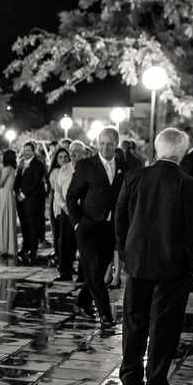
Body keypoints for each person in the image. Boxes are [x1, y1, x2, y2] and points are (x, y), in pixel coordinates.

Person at [116, 128, 193, 385]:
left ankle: (130, 376)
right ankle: (155, 380)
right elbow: (192, 232)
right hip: (172, 264)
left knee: (134, 321)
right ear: (182, 152)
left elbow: (120, 219)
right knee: (164, 325)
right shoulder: (190, 185)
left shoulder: (134, 177)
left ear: (157, 148)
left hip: (137, 260)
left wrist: (125, 252)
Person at [66, 127, 125, 327]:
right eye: (102, 143)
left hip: (111, 228)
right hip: (88, 226)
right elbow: (71, 196)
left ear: (116, 144)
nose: (105, 148)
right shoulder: (86, 166)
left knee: (99, 273)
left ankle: (81, 303)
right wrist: (77, 223)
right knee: (92, 270)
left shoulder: (124, 168)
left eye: (109, 144)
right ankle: (105, 315)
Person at [52, 141, 85, 282]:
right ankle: (65, 272)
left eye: (76, 151)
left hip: (83, 211)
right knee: (65, 242)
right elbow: (58, 190)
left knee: (83, 243)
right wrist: (64, 206)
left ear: (83, 153)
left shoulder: (88, 167)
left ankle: (83, 274)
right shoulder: (64, 169)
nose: (72, 154)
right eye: (70, 151)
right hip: (66, 211)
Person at [15, 141, 47, 262]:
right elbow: (18, 179)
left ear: (34, 151)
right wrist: (16, 192)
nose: (26, 152)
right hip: (20, 198)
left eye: (28, 150)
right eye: (24, 150)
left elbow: (36, 182)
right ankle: (25, 246)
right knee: (23, 223)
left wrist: (23, 194)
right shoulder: (21, 163)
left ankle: (33, 248)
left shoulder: (38, 164)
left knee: (32, 224)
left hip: (32, 198)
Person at [0, 149, 20, 258]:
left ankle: (4, 247)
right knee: (6, 218)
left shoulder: (7, 169)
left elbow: (0, 183)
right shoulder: (12, 168)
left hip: (5, 194)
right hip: (7, 194)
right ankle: (6, 245)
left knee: (4, 218)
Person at [48, 146, 71, 265]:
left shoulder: (71, 168)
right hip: (59, 204)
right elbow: (58, 188)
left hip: (69, 204)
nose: (63, 159)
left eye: (65, 157)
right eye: (60, 157)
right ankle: (60, 255)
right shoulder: (56, 172)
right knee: (60, 231)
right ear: (56, 160)